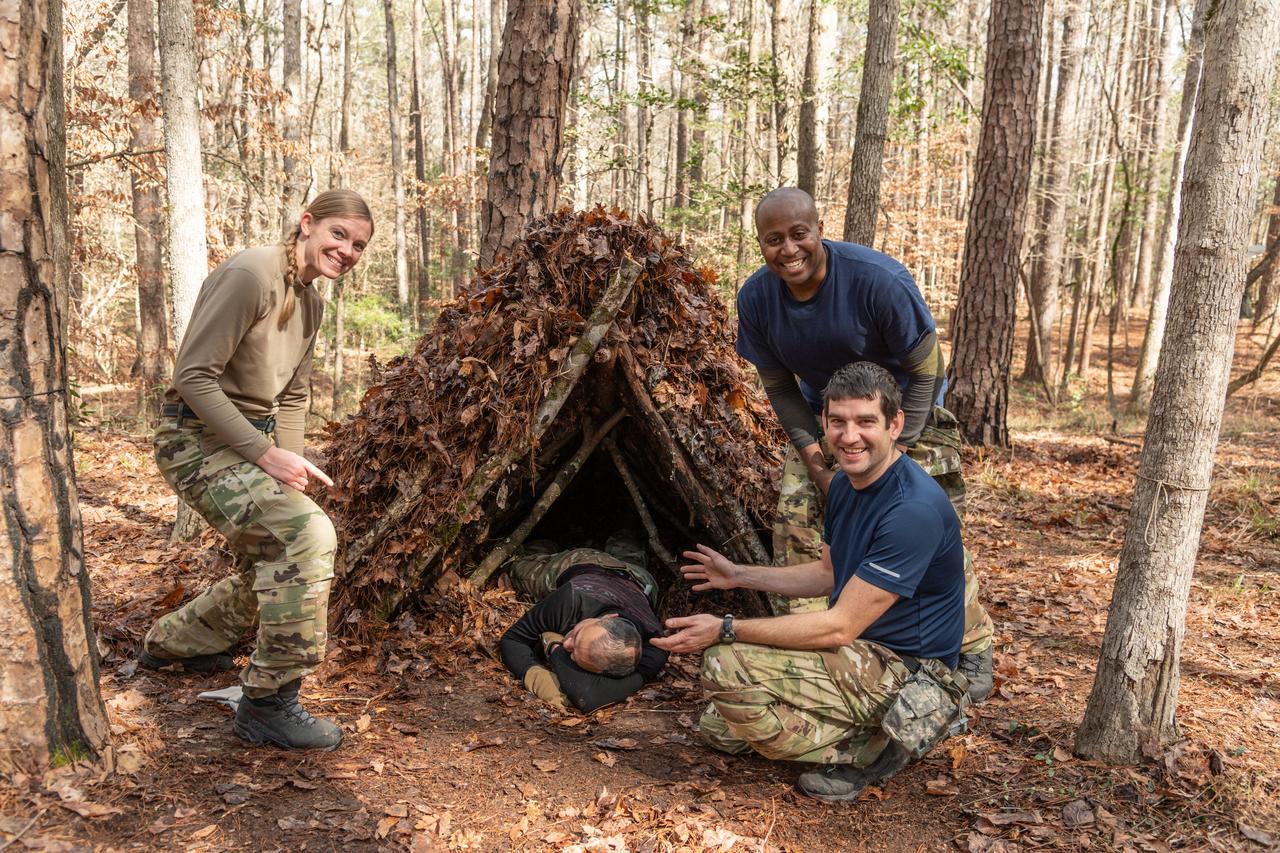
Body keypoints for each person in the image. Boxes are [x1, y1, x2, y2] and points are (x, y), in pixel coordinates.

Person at [652, 362, 971, 801]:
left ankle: (873, 745)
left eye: (865, 422)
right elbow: (827, 575)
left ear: (895, 424)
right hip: (860, 651)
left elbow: (839, 626)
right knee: (719, 728)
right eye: (837, 421)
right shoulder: (844, 486)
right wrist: (739, 576)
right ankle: (861, 728)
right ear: (823, 421)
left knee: (726, 665)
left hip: (908, 670)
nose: (849, 436)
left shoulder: (911, 510)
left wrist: (726, 628)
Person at [735, 186, 993, 701]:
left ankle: (971, 645)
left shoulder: (877, 281)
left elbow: (925, 371)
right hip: (823, 416)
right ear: (760, 245)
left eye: (799, 234)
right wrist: (815, 461)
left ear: (819, 230)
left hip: (904, 413)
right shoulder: (757, 298)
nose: (789, 249)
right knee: (795, 522)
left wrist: (897, 452)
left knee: (927, 527)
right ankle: (817, 642)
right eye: (773, 239)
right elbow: (781, 388)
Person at [138, 189, 374, 751]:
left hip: (249, 441)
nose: (346, 250)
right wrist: (264, 455)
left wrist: (287, 465)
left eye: (359, 244)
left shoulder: (312, 302)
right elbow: (193, 377)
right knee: (306, 539)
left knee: (278, 554)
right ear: (307, 223)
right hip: (193, 437)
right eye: (338, 234)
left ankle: (177, 642)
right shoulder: (251, 274)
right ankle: (268, 704)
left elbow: (291, 399)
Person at [499, 533, 668, 714]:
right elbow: (513, 639)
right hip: (582, 564)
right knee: (517, 568)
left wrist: (554, 648)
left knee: (626, 551)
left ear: (601, 673)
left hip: (639, 579)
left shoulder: (654, 648)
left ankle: (624, 542)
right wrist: (538, 673)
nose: (566, 643)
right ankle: (544, 544)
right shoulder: (571, 600)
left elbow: (590, 697)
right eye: (577, 635)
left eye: (572, 654)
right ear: (608, 618)